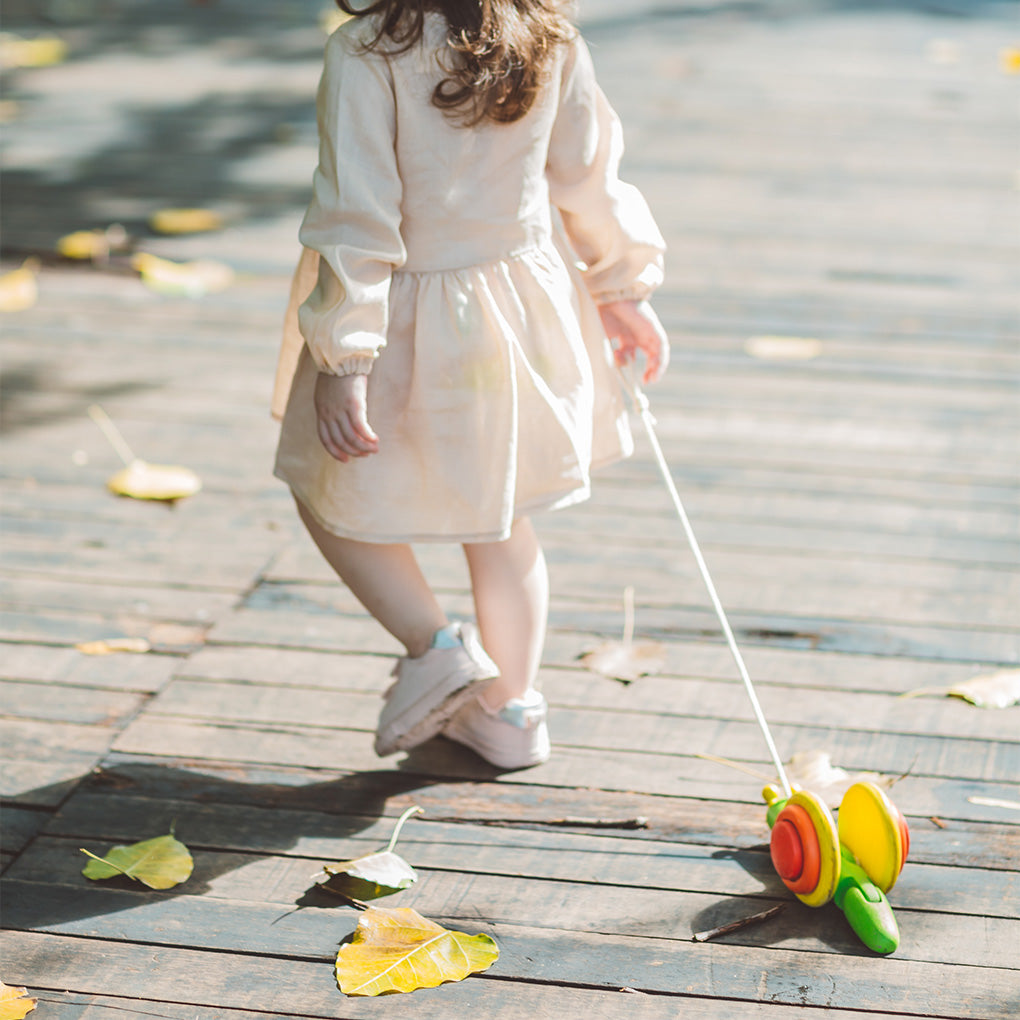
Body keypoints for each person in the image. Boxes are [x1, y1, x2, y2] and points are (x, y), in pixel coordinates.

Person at [271, 0, 668, 770]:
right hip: (517, 312)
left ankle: (437, 647)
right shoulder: (550, 39)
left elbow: (357, 215)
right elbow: (589, 179)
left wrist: (346, 356)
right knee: (500, 514)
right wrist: (622, 288)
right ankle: (512, 711)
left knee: (328, 488)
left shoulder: (365, 53)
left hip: (400, 315)